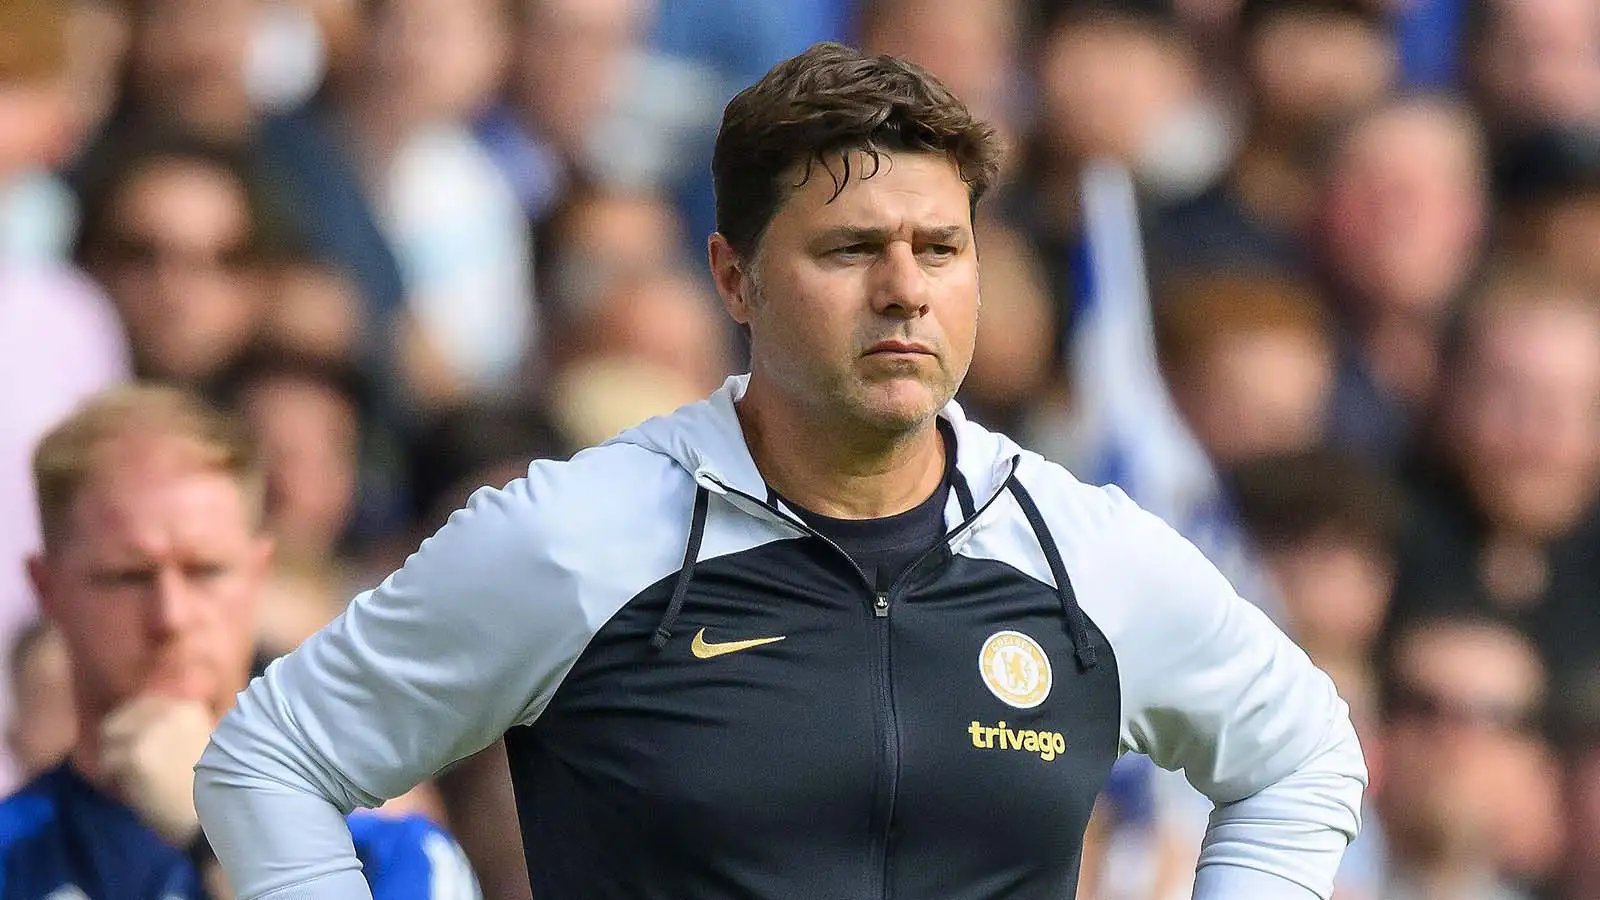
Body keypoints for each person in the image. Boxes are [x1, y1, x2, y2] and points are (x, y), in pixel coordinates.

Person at [195, 42, 1366, 900]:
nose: (905, 286)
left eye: (940, 248)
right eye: (852, 249)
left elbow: (1302, 756)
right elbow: (270, 762)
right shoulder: (576, 537)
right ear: (733, 278)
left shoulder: (1080, 551)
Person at [0, 385, 480, 899]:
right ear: (48, 590)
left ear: (257, 576)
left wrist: (216, 831)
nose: (171, 616)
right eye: (128, 576)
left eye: (205, 571)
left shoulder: (391, 859)